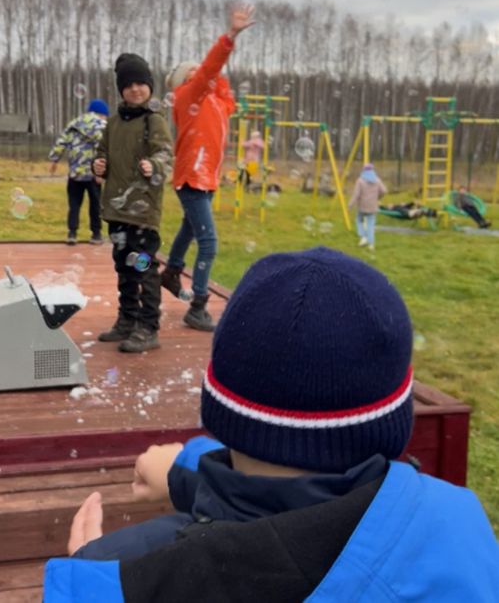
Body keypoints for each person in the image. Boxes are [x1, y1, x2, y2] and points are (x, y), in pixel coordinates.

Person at [44, 248, 499, 602]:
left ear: (223, 407)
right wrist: (188, 470)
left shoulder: (123, 580)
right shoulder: (459, 521)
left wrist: (92, 573)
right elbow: (305, 513)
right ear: (392, 413)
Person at [159, 3, 255, 332]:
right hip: (192, 177)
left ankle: (171, 272)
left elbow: (228, 98)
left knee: (189, 229)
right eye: (195, 71)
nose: (201, 72)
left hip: (206, 179)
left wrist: (218, 76)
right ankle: (197, 306)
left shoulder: (214, 101)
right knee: (208, 242)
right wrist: (230, 37)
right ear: (186, 79)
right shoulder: (189, 94)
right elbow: (210, 69)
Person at [92, 54, 173, 353]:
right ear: (121, 90)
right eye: (128, 85)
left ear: (149, 86)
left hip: (143, 212)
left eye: (140, 83)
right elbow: (102, 153)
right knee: (123, 266)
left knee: (144, 267)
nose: (135, 89)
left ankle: (148, 326)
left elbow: (165, 154)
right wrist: (98, 165)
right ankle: (127, 319)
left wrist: (155, 165)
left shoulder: (154, 120)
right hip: (117, 211)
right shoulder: (112, 124)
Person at [48, 99, 109, 245]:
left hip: (75, 173)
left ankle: (72, 233)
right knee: (95, 204)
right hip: (94, 173)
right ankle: (96, 234)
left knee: (74, 204)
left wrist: (54, 159)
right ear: (102, 114)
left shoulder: (75, 123)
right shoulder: (102, 126)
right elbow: (106, 149)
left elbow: (62, 141)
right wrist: (103, 173)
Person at [348, 162, 386, 251]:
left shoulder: (360, 180)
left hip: (362, 206)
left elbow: (356, 194)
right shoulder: (377, 180)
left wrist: (350, 205)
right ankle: (371, 244)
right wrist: (378, 197)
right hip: (372, 206)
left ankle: (363, 237)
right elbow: (384, 191)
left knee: (359, 220)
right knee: (370, 225)